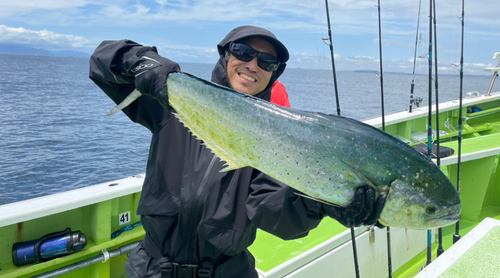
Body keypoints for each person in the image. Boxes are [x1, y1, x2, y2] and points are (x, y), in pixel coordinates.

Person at [89, 25, 386, 278]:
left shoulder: (277, 138)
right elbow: (101, 62)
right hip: (151, 268)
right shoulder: (175, 102)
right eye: (244, 52)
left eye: (267, 62)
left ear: (273, 74)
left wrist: (322, 203)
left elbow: (276, 216)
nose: (253, 65)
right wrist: (141, 61)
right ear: (226, 55)